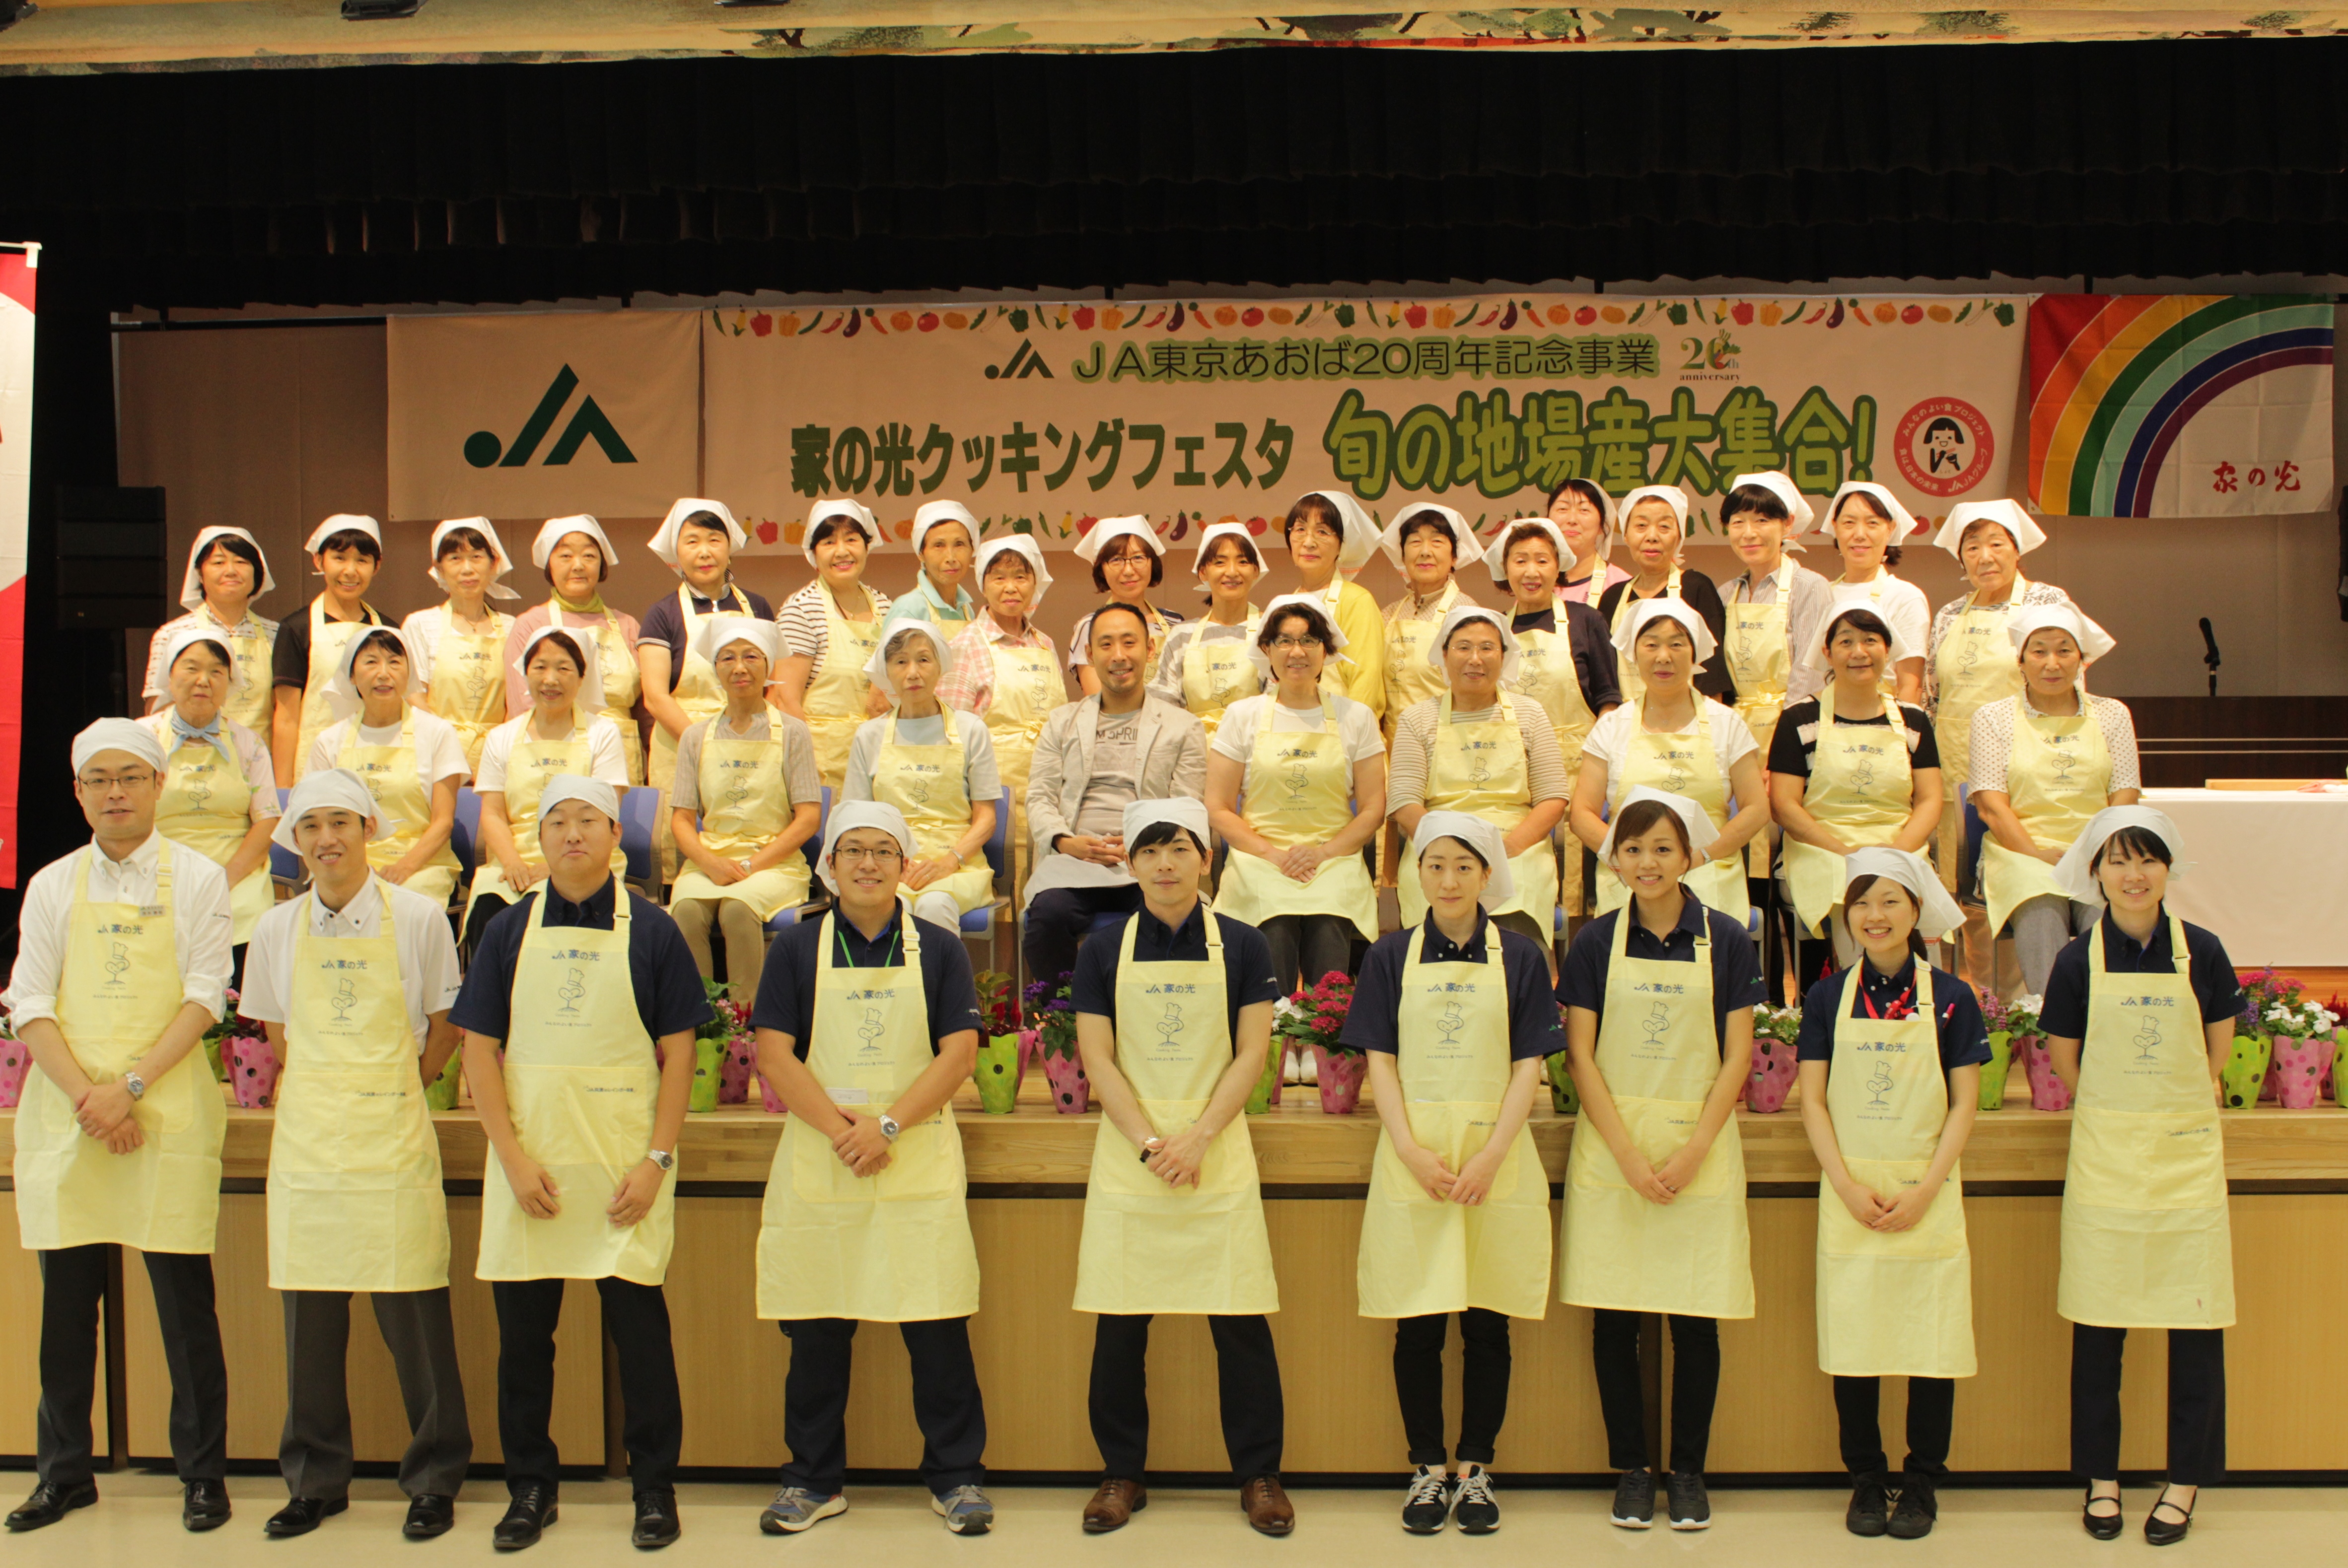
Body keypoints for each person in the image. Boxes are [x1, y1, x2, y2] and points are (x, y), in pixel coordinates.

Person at [451, 776, 706, 1552]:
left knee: (642, 1339)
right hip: (531, 1164)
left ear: (615, 835)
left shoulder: (654, 929)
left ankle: (653, 1486)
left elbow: (680, 1052)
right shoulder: (507, 928)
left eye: (587, 820)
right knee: (525, 1345)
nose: (571, 833)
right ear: (539, 837)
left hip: (625, 1164)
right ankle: (530, 1486)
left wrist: (657, 1159)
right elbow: (479, 1050)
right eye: (556, 820)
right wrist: (511, 1159)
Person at [3, 719, 233, 1535]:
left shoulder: (200, 876)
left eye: (130, 776)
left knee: (185, 1310)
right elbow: (29, 1000)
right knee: (66, 1311)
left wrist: (129, 1087)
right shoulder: (52, 883)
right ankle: (63, 1472)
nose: (115, 792)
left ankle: (202, 1475)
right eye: (98, 779)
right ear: (78, 793)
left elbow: (206, 993)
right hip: (74, 1114)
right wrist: (90, 1098)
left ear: (158, 784)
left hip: (164, 1109)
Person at [236, 770, 470, 1541]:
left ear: (369, 827)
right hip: (309, 1140)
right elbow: (277, 1033)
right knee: (308, 1323)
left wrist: (394, 1087)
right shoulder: (275, 929)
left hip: (392, 1134)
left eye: (340, 821)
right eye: (310, 826)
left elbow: (445, 1023)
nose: (326, 838)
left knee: (415, 1313)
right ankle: (314, 1480)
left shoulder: (420, 917)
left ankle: (434, 1477)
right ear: (295, 841)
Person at [749, 802, 994, 1537]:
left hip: (913, 1151)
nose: (867, 863)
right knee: (817, 1331)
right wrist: (844, 1132)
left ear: (904, 864)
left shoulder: (940, 948)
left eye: (883, 851)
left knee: (936, 1325)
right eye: (851, 850)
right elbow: (774, 1053)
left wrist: (885, 1127)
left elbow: (958, 1053)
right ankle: (811, 1480)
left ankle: (956, 1477)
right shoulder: (796, 947)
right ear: (828, 866)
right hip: (825, 1156)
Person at [1071, 799, 1291, 1539]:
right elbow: (1097, 1056)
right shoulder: (1103, 948)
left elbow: (1252, 1052)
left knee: (1239, 1319)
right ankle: (1120, 1473)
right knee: (1120, 1322)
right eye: (1149, 851)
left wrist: (1196, 1138)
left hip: (1214, 1146)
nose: (1164, 864)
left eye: (1179, 849)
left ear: (1205, 858)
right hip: (1131, 1150)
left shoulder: (1245, 944)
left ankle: (1260, 1475)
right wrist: (1148, 1142)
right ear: (1130, 864)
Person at [1558, 789, 1764, 1534]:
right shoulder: (1593, 942)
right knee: (1614, 1319)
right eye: (1633, 849)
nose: (1647, 862)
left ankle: (1689, 1470)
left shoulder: (1727, 938)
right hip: (1613, 1148)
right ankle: (1633, 1470)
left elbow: (1737, 1054)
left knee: (1695, 1320)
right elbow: (1580, 1056)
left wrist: (1695, 1147)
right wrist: (1626, 1153)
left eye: (1662, 849)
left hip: (1698, 1146)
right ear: (1614, 859)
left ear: (1688, 856)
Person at [1349, 813, 1557, 1536]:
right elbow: (1379, 1058)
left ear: (1487, 875)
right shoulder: (1390, 955)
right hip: (1416, 1157)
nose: (1448, 880)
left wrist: (1494, 1152)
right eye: (1434, 865)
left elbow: (1529, 1063)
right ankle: (1425, 1467)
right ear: (1417, 874)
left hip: (1496, 1157)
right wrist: (1409, 1148)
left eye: (1463, 866)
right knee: (1418, 1325)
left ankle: (1474, 1469)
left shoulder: (1521, 955)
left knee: (1488, 1323)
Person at [2042, 808, 2239, 1548]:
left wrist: (2172, 1112)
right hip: (2107, 1159)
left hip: (2185, 1158)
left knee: (2196, 1325)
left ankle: (2184, 1481)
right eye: (2118, 861)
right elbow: (2065, 1057)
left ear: (2167, 868)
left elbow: (2216, 1049)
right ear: (2096, 872)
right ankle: (2101, 1478)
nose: (2133, 875)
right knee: (2099, 1324)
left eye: (2147, 860)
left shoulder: (2203, 950)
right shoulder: (2076, 959)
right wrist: (2117, 1113)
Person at [1793, 848, 1983, 1542]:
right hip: (1851, 1191)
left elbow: (1964, 1103)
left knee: (1932, 1340)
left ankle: (1923, 1480)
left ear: (1916, 910)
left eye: (1889, 902)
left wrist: (1928, 1186)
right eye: (1862, 904)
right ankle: (1867, 1479)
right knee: (1856, 1339)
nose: (1874, 916)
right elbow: (1812, 1100)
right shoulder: (1826, 997)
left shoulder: (1953, 997)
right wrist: (1843, 1183)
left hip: (1926, 1190)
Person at [1021, 603, 1208, 991]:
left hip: (1148, 859)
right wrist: (1065, 841)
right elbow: (1039, 796)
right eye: (1106, 645)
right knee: (1047, 915)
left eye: (1129, 642)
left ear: (1149, 650)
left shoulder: (1183, 726)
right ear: (1090, 655)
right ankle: (1062, 1015)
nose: (1119, 655)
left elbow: (1185, 805)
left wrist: (1141, 843)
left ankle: (1153, 1012)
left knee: (1176, 916)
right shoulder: (1062, 721)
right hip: (1075, 860)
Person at [1205, 595, 1385, 993]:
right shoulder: (1242, 716)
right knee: (1273, 923)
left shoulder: (1356, 717)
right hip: (1260, 858)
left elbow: (1373, 808)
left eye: (1309, 640)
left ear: (1326, 650)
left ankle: (1327, 1025)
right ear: (1266, 649)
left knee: (1329, 922)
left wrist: (1322, 854)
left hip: (1333, 857)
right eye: (1284, 640)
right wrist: (1272, 854)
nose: (1297, 652)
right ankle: (1272, 1025)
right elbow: (1217, 807)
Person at [1970, 605, 2140, 995]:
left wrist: (2095, 852)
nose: (2052, 663)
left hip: (2098, 849)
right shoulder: (1993, 717)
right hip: (2019, 852)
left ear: (2082, 659)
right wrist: (2036, 854)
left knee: (2105, 908)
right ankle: (2050, 1018)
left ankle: (2108, 1013)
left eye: (2064, 650)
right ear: (2020, 660)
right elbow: (1991, 806)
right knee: (2042, 905)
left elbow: (2125, 795)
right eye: (2039, 651)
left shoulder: (2112, 714)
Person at [1769, 609, 1943, 986]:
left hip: (1899, 845)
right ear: (1828, 654)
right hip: (1822, 850)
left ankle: (1923, 1001)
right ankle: (1863, 998)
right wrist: (1846, 852)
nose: (1859, 652)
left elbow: (1931, 799)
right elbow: (1784, 805)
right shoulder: (1799, 719)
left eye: (1870, 641)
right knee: (1860, 887)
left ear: (1887, 650)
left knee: (1898, 885)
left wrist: (1897, 852)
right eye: (1846, 642)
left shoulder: (1913, 720)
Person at [1572, 601, 1768, 926]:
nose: (1663, 656)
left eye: (1676, 644)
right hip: (1631, 873)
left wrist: (1700, 856)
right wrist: (1625, 859)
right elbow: (1582, 814)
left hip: (1707, 867)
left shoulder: (1727, 723)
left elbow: (1756, 809)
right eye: (1651, 645)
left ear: (1694, 654)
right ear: (1634, 654)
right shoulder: (1611, 727)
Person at [1387, 605, 1565, 950]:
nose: (1475, 659)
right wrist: (1450, 850)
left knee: (1517, 944)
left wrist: (1506, 849)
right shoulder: (1417, 718)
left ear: (1503, 655)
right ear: (1444, 654)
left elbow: (1553, 797)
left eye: (1487, 648)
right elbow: (1404, 801)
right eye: (1463, 647)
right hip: (1439, 843)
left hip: (1516, 847)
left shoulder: (1530, 713)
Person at [1924, 498, 2072, 911]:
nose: (1984, 557)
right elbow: (1932, 696)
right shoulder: (1949, 614)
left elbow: (2068, 685)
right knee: (1960, 882)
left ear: (2016, 549)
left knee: (2023, 876)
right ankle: (1969, 955)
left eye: (1996, 544)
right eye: (1972, 547)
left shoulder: (2046, 601)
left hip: (2025, 764)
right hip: (1955, 763)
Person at [1717, 471, 1831, 992]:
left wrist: (1776, 756)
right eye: (1738, 521)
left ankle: (1810, 997)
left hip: (1793, 738)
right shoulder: (1726, 592)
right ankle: (1759, 999)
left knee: (1794, 866)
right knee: (1748, 873)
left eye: (1762, 519)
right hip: (1735, 739)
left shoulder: (1810, 586)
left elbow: (1810, 672)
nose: (1749, 532)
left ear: (1787, 526)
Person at [668, 616, 821, 1001]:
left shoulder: (793, 732)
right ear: (715, 668)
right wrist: (709, 862)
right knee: (686, 910)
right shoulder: (694, 736)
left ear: (768, 665)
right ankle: (702, 1018)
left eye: (751, 656)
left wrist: (752, 865)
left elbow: (808, 818)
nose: (739, 667)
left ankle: (745, 1020)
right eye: (728, 658)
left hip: (775, 862)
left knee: (737, 908)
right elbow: (682, 819)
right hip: (711, 860)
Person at [1485, 517, 1620, 919]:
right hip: (1514, 768)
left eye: (1542, 560)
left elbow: (1609, 698)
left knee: (1581, 878)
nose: (1531, 571)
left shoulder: (1586, 620)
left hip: (1580, 766)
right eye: (1520, 560)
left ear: (1557, 566)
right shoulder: (1495, 628)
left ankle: (1580, 945)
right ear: (1505, 569)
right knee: (1526, 867)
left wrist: (1599, 762)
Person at [465, 627, 630, 951]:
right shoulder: (501, 737)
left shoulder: (603, 733)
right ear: (525, 673)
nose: (550, 679)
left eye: (563, 668)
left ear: (582, 677)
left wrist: (555, 866)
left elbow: (605, 814)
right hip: (514, 859)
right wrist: (512, 863)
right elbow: (493, 814)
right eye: (540, 667)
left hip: (583, 853)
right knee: (490, 909)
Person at [637, 498, 773, 877]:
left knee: (748, 844)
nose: (704, 551)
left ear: (729, 547)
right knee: (685, 857)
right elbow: (656, 697)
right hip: (682, 745)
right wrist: (704, 746)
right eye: (692, 541)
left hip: (750, 743)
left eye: (714, 539)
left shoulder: (758, 607)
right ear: (676, 552)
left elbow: (771, 683)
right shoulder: (661, 614)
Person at [845, 622, 1002, 934]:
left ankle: (941, 970)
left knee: (934, 904)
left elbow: (986, 818)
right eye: (901, 662)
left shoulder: (971, 729)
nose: (913, 673)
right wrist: (892, 862)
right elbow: (858, 819)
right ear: (887, 671)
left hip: (959, 865)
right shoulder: (869, 735)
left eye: (924, 660)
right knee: (891, 907)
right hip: (888, 865)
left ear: (940, 666)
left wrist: (949, 861)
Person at [936, 534, 1065, 907]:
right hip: (994, 793)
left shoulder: (1045, 643)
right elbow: (951, 734)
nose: (1011, 587)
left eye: (1021, 577)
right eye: (999, 577)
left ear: (1035, 583)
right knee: (1004, 896)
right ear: (983, 585)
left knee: (1046, 889)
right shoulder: (966, 644)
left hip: (1048, 786)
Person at [142, 625, 281, 956]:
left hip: (235, 875)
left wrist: (224, 880)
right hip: (157, 871)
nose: (203, 680)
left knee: (246, 918)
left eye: (217, 672)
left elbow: (267, 821)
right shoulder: (143, 739)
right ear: (170, 676)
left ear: (229, 682)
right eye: (192, 668)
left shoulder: (249, 743)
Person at [309, 627, 467, 907]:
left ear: (409, 672)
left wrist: (405, 867)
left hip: (422, 864)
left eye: (394, 662)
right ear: (352, 675)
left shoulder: (438, 733)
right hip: (345, 863)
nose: (384, 674)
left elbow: (443, 822)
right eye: (371, 662)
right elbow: (314, 819)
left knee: (403, 904)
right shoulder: (329, 741)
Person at [505, 515, 645, 786]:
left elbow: (644, 707)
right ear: (550, 565)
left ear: (602, 565)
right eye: (566, 556)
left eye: (589, 556)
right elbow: (521, 706)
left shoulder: (627, 625)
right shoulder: (530, 624)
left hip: (623, 757)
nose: (578, 565)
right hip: (556, 754)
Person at [774, 498, 892, 797]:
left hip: (879, 759)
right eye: (829, 542)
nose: (842, 551)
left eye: (851, 539)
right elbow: (786, 702)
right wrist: (804, 772)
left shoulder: (885, 606)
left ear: (867, 546)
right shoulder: (801, 609)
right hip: (820, 766)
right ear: (813, 553)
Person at [274, 513, 388, 787]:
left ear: (377, 566)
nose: (350, 571)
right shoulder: (296, 628)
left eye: (362, 560)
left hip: (375, 761)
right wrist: (282, 791)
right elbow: (286, 719)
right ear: (319, 561)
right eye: (339, 558)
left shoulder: (388, 630)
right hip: (314, 765)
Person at [403, 517, 520, 777]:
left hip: (498, 756)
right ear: (439, 568)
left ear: (493, 563)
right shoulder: (420, 624)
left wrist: (499, 747)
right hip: (436, 756)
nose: (467, 569)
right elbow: (414, 695)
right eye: (455, 558)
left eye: (476, 557)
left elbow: (517, 699)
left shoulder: (512, 627)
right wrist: (448, 747)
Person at [1596, 486, 1732, 706]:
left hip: (1688, 718)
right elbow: (1604, 677)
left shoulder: (1696, 588)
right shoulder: (1613, 598)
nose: (1652, 537)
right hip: (1626, 720)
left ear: (1679, 536)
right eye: (1641, 526)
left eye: (1664, 527)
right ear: (1627, 535)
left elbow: (1713, 674)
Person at [144, 526, 279, 738]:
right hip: (190, 750)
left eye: (241, 562)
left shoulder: (277, 634)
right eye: (218, 563)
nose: (231, 571)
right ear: (200, 573)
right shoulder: (172, 634)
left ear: (257, 573)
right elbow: (157, 709)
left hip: (259, 754)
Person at [1148, 521, 1265, 743]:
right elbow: (1163, 705)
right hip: (1193, 750)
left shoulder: (1270, 632)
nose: (1232, 571)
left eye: (1243, 562)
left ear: (1256, 571)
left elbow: (1278, 701)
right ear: (1203, 572)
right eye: (1220, 562)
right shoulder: (1182, 635)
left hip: (1255, 750)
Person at [1813, 484, 1929, 705]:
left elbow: (1910, 687)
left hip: (1883, 720)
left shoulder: (1905, 597)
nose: (1859, 534)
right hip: (1822, 717)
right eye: (1849, 523)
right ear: (1835, 527)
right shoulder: (1819, 593)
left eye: (1872, 523)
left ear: (1891, 529)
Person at [1280, 489, 1386, 714]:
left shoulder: (1356, 600)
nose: (1309, 542)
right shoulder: (1286, 604)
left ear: (1341, 544)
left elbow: (1365, 681)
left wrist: (1352, 730)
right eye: (1300, 530)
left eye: (1322, 532)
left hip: (1343, 728)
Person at [1379, 504, 1483, 731]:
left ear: (1454, 557)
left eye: (1437, 542)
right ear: (1403, 556)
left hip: (1448, 738)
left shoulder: (1467, 613)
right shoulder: (1387, 614)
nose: (1425, 551)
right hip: (1392, 742)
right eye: (1415, 541)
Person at [1070, 516, 1185, 694]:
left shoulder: (1175, 622)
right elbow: (1096, 697)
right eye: (1116, 560)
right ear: (1101, 570)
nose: (1129, 571)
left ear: (1152, 563)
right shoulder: (1089, 626)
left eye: (1138, 558)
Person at [878, 498, 981, 643]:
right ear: (921, 553)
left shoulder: (966, 609)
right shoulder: (909, 609)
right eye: (939, 545)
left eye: (959, 544)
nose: (951, 558)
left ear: (972, 550)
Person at [1550, 477, 1628, 607]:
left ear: (1602, 526)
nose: (1572, 520)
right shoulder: (1536, 580)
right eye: (1563, 509)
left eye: (1584, 510)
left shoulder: (1621, 585)